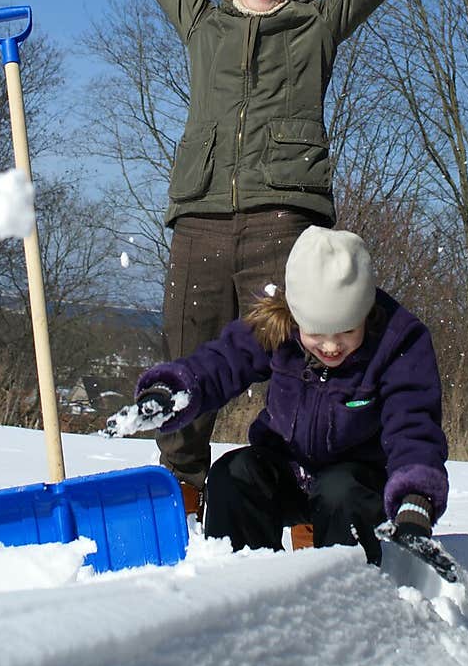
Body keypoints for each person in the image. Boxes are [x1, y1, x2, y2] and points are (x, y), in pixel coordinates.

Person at [86, 0, 468, 516]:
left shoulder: (317, 25)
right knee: (188, 361)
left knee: (306, 358)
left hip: (284, 219)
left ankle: (322, 491)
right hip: (199, 217)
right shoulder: (201, 23)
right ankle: (185, 491)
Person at [106, 225, 449, 566]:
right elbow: (221, 363)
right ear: (295, 316)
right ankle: (242, 583)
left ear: (365, 313)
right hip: (287, 467)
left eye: (346, 331)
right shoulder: (277, 324)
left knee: (341, 492)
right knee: (233, 475)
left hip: (357, 481)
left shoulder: (399, 341)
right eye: (316, 332)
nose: (331, 346)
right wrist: (173, 389)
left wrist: (414, 499)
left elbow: (413, 424)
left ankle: (345, 594)